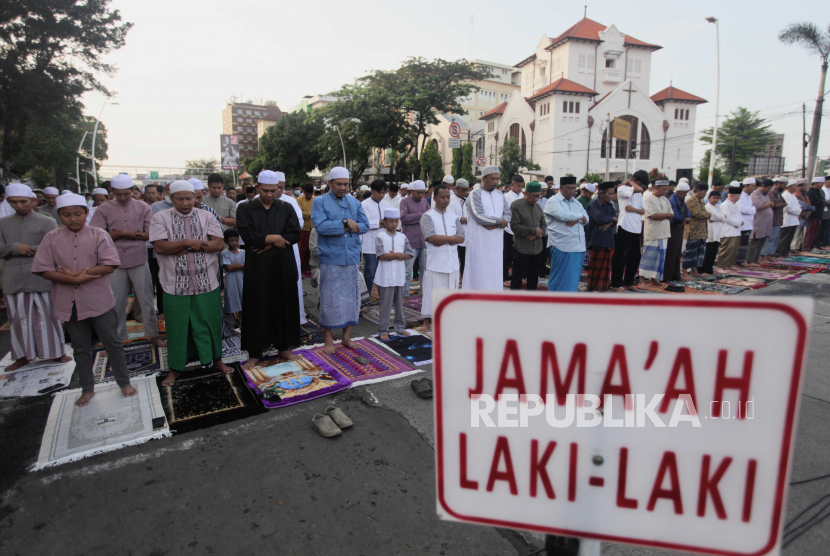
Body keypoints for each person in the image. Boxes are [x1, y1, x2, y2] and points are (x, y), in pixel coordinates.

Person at [31, 193, 133, 407]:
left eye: (78, 214)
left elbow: (109, 264)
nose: (73, 219)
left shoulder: (99, 235)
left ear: (86, 213)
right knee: (80, 347)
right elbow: (43, 269)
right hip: (70, 303)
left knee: (112, 343)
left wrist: (80, 274)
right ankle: (87, 389)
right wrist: (70, 278)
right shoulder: (52, 238)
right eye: (67, 215)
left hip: (98, 301)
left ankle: (124, 383)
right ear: (60, 215)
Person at [149, 181, 230, 386]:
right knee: (177, 327)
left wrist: (190, 247)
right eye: (180, 199)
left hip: (207, 282)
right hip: (174, 284)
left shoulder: (206, 216)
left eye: (189, 198)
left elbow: (218, 244)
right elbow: (160, 247)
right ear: (170, 197)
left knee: (210, 323)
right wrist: (187, 242)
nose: (185, 203)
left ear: (195, 197)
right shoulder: (160, 217)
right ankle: (175, 369)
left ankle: (217, 360)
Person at [0, 184, 70, 371]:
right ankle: (22, 356)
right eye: (14, 202)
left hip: (41, 276)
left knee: (47, 316)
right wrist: (16, 248)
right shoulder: (3, 223)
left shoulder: (46, 222)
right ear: (8, 202)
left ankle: (56, 352)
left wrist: (26, 249)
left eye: (23, 201)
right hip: (13, 278)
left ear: (32, 201)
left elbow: (53, 248)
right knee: (17, 318)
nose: (19, 206)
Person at [90, 173, 165, 347]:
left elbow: (152, 233)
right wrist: (120, 234)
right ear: (112, 192)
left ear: (133, 190)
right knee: (116, 302)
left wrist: (135, 235)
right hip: (114, 262)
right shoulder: (104, 209)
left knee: (146, 299)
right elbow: (95, 235)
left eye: (126, 193)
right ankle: (118, 338)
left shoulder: (143, 208)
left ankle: (153, 334)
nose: (123, 198)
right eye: (118, 194)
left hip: (138, 259)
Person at [236, 170, 303, 365]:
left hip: (282, 264)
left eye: (274, 190)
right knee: (257, 306)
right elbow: (247, 235)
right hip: (258, 267)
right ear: (257, 188)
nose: (270, 194)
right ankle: (255, 353)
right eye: (265, 190)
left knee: (284, 305)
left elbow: (295, 234)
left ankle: (284, 348)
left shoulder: (286, 207)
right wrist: (274, 239)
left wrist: (267, 243)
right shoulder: (245, 208)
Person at [311, 167, 369, 354]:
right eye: (339, 184)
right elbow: (321, 226)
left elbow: (365, 225)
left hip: (351, 257)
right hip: (331, 258)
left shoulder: (354, 202)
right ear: (330, 183)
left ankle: (346, 336)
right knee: (330, 299)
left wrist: (354, 226)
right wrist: (346, 223)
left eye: (346, 184)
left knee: (351, 298)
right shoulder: (320, 201)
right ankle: (329, 339)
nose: (343, 187)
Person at [418, 185, 464, 333]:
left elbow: (462, 237)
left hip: (452, 263)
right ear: (435, 198)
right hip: (436, 262)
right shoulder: (428, 216)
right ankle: (426, 322)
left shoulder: (454, 216)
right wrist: (451, 238)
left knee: (450, 293)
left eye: (448, 197)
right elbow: (431, 237)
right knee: (432, 292)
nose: (446, 200)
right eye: (443, 197)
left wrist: (443, 240)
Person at [462, 166, 511, 291]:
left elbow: (508, 214)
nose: (495, 182)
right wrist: (500, 222)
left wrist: (495, 224)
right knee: (479, 272)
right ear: (484, 178)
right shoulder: (474, 194)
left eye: (497, 179)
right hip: (480, 242)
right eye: (492, 179)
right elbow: (479, 216)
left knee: (495, 271)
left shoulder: (500, 195)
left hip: (496, 242)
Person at [373, 208, 413, 340]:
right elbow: (380, 256)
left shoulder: (403, 237)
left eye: (396, 221)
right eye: (391, 221)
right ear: (384, 222)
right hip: (385, 275)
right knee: (385, 303)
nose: (394, 224)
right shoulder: (380, 237)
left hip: (399, 275)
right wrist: (397, 255)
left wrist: (398, 256)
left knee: (399, 303)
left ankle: (400, 327)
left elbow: (410, 253)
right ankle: (383, 330)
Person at [544, 178, 588, 292]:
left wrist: (577, 217)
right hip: (562, 246)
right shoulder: (553, 201)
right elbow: (562, 216)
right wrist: (579, 216)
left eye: (574, 188)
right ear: (561, 187)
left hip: (578, 246)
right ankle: (554, 303)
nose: (573, 191)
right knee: (560, 279)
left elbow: (587, 218)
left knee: (572, 280)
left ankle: (568, 304)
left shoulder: (576, 202)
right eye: (570, 188)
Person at [610, 171, 646, 292]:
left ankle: (628, 282)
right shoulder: (622, 189)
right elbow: (638, 189)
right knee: (620, 257)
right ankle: (615, 284)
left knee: (635, 257)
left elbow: (643, 211)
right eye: (639, 183)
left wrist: (634, 209)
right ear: (634, 179)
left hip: (636, 228)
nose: (641, 187)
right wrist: (629, 182)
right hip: (624, 226)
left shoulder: (639, 193)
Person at [509, 181, 546, 291]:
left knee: (533, 277)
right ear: (525, 193)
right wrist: (533, 231)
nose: (536, 199)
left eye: (538, 196)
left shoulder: (538, 206)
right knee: (517, 277)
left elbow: (543, 223)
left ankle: (531, 301)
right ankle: (514, 302)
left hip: (537, 248)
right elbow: (515, 226)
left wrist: (539, 234)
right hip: (522, 247)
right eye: (533, 196)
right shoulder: (516, 205)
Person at [639, 180, 674, 287]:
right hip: (652, 233)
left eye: (666, 189)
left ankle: (654, 279)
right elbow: (652, 215)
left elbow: (672, 214)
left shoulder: (665, 199)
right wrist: (666, 215)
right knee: (648, 256)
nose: (666, 191)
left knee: (659, 258)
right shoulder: (647, 199)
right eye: (664, 189)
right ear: (656, 187)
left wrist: (663, 215)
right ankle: (642, 280)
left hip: (663, 233)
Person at [361, 179, 391, 299]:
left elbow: (391, 222)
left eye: (384, 193)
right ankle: (366, 299)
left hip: (384, 243)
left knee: (383, 272)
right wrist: (381, 222)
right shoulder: (364, 205)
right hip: (370, 244)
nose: (382, 195)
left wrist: (383, 223)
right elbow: (365, 224)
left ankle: (383, 298)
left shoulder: (386, 205)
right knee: (370, 273)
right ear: (372, 191)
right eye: (380, 193)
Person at [399, 180, 429, 296]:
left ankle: (424, 293)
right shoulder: (404, 202)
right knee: (407, 271)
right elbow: (403, 218)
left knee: (424, 270)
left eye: (422, 192)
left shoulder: (425, 201)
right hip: (410, 241)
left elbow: (429, 217)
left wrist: (415, 216)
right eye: (418, 193)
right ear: (412, 191)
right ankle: (404, 294)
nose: (421, 195)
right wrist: (420, 216)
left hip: (423, 241)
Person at [585, 182, 617, 292]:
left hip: (609, 240)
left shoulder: (610, 205)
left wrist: (610, 222)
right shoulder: (594, 204)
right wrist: (612, 220)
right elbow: (600, 219)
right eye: (610, 194)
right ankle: (592, 290)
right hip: (598, 241)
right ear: (602, 194)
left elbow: (615, 218)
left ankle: (602, 290)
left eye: (613, 194)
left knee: (606, 269)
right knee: (595, 268)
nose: (612, 196)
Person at [664, 182, 691, 282]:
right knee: (670, 253)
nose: (685, 195)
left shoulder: (682, 201)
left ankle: (676, 276)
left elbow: (688, 215)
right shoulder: (672, 201)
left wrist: (684, 220)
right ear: (678, 192)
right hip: (672, 228)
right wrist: (683, 220)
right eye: (684, 193)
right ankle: (667, 277)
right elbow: (675, 216)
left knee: (677, 253)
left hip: (679, 228)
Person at [682, 182, 710, 277]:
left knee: (698, 253)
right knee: (689, 253)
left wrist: (706, 215)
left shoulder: (701, 200)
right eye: (704, 192)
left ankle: (694, 272)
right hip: (693, 231)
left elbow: (704, 213)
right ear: (698, 190)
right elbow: (697, 214)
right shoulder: (691, 201)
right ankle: (685, 273)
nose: (705, 194)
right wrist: (707, 215)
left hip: (701, 231)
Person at [221, 229, 244, 337]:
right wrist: (243, 265)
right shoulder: (225, 253)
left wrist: (237, 266)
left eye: (236, 240)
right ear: (226, 242)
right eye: (231, 241)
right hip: (231, 281)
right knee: (230, 304)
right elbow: (229, 267)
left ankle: (243, 325)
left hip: (242, 280)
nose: (234, 243)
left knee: (243, 303)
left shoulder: (243, 252)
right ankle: (230, 327)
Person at [502, 175, 525, 285]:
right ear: (512, 185)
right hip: (509, 230)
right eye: (518, 186)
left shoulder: (523, 196)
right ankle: (504, 278)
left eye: (522, 186)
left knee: (519, 256)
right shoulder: (506, 197)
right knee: (506, 255)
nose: (520, 188)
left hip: (520, 230)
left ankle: (517, 277)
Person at [716, 186, 744, 271]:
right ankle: (721, 266)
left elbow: (739, 216)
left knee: (733, 250)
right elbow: (727, 218)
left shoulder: (735, 205)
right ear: (731, 195)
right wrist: (738, 223)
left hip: (736, 231)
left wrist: (741, 222)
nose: (738, 199)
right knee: (726, 250)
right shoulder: (725, 205)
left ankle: (730, 264)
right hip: (728, 231)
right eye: (737, 197)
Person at [746, 179, 774, 264]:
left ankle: (756, 259)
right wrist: (769, 203)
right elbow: (759, 206)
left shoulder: (765, 194)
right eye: (768, 188)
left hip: (766, 223)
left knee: (762, 242)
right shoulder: (755, 194)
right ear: (762, 186)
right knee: (755, 242)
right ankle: (750, 260)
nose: (769, 190)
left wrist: (768, 203)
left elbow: (768, 204)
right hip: (758, 222)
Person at [776, 180, 803, 258]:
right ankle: (778, 253)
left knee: (789, 239)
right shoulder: (785, 195)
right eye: (794, 186)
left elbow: (798, 207)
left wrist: (798, 210)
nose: (796, 188)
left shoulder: (793, 195)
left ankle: (785, 253)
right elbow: (788, 208)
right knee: (783, 238)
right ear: (789, 186)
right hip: (787, 220)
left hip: (794, 220)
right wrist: (798, 211)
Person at [701, 191, 725, 275]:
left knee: (714, 252)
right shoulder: (707, 207)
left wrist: (717, 218)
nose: (716, 200)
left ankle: (709, 269)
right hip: (709, 232)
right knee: (707, 252)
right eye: (714, 198)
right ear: (709, 198)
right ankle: (703, 269)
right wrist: (719, 218)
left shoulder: (718, 208)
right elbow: (714, 216)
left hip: (717, 232)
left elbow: (723, 217)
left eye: (717, 198)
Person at [764, 177, 788, 260]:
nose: (785, 187)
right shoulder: (772, 192)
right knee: (771, 239)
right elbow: (775, 205)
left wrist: (781, 204)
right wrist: (781, 204)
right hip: (773, 219)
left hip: (778, 219)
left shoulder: (778, 193)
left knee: (776, 239)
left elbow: (784, 203)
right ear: (778, 184)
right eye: (784, 185)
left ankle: (770, 255)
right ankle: (765, 256)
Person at [737, 178, 757, 265]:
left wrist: (752, 210)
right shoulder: (740, 196)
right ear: (746, 185)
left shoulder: (748, 197)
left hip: (748, 224)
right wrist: (752, 210)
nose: (754, 188)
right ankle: (736, 261)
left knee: (745, 245)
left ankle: (741, 261)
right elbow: (742, 209)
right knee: (740, 244)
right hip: (742, 224)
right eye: (752, 186)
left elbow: (752, 209)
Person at [453, 179, 470, 277]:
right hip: (454, 235)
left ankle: (464, 278)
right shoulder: (450, 200)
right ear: (456, 188)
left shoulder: (466, 200)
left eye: (467, 190)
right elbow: (452, 217)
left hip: (466, 234)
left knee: (465, 260)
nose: (465, 192)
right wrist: (466, 219)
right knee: (455, 259)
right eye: (463, 190)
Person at [804, 177, 827, 251]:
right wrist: (822, 202)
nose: (822, 185)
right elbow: (811, 203)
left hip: (818, 215)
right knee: (810, 232)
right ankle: (806, 247)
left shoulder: (819, 191)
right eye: (821, 184)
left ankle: (811, 247)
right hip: (813, 215)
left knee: (816, 232)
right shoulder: (810, 192)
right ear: (816, 183)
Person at [297, 184, 315, 271]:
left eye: (310, 194)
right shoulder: (299, 200)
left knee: (310, 248)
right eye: (307, 194)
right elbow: (299, 212)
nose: (309, 196)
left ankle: (307, 265)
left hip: (313, 227)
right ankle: (299, 265)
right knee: (302, 247)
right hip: (303, 227)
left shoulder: (315, 200)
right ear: (304, 192)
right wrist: (310, 215)